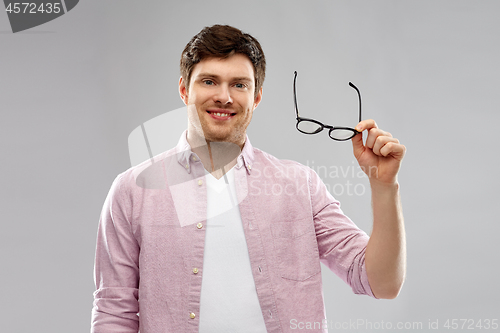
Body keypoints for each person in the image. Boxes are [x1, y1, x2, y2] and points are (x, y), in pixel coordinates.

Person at [91, 25, 406, 333]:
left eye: (239, 85)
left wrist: (384, 186)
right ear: (185, 89)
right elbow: (113, 311)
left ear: (256, 98)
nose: (224, 97)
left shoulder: (300, 186)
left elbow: (382, 282)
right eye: (210, 81)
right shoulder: (132, 191)